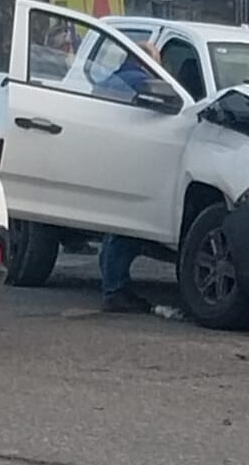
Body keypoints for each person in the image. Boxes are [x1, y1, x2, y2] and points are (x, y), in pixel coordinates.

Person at [98, 41, 163, 314]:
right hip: (129, 161)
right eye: (158, 61)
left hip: (109, 158)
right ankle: (115, 289)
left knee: (114, 228)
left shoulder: (112, 79)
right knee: (124, 229)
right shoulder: (139, 81)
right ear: (146, 60)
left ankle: (113, 285)